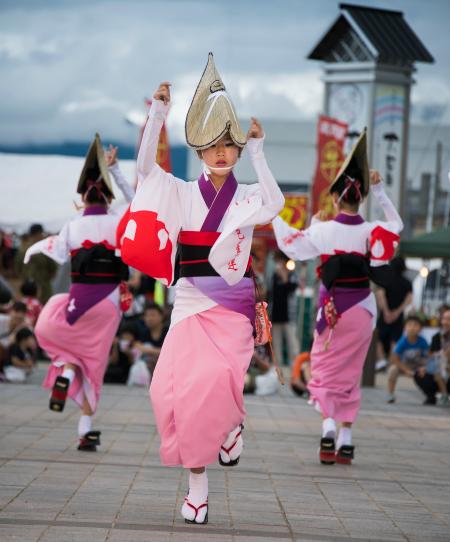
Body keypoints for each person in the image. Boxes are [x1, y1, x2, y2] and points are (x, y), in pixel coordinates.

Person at [120, 53, 284, 524]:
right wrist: (157, 113)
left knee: (216, 383)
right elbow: (144, 173)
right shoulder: (182, 192)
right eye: (211, 145)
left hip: (233, 308)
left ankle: (218, 449)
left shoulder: (249, 195)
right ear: (198, 151)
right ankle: (203, 472)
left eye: (228, 146)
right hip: (190, 303)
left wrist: (257, 150)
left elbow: (275, 202)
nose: (220, 152)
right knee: (169, 394)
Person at [273, 129, 403, 465]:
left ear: (335, 199)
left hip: (332, 309)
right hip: (362, 307)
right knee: (351, 371)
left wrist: (274, 213)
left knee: (325, 370)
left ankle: (328, 426)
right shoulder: (370, 229)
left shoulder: (323, 229)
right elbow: (397, 225)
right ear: (360, 199)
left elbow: (290, 244)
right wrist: (381, 191)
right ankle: (346, 437)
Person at [24, 137, 133, 452]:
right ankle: (85, 429)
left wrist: (32, 251)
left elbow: (56, 252)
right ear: (107, 196)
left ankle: (68, 376)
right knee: (94, 362)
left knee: (71, 348)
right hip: (108, 303)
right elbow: (140, 204)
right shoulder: (118, 223)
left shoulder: (72, 227)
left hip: (75, 304)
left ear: (83, 199)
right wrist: (117, 171)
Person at [375, 257, 412, 371]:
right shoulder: (407, 282)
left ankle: (381, 361)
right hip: (398, 316)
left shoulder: (385, 279)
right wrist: (397, 312)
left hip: (384, 315)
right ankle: (391, 363)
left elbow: (380, 295)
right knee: (395, 340)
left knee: (378, 338)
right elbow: (409, 299)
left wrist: (386, 311)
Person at [387, 315, 429, 404]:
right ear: (405, 327)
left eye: (415, 325)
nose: (412, 328)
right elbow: (394, 358)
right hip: (403, 365)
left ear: (421, 329)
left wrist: (424, 367)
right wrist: (406, 370)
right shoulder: (402, 342)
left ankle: (429, 395)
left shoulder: (423, 341)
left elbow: (427, 357)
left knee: (429, 371)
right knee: (392, 370)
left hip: (418, 365)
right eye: (409, 325)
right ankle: (390, 394)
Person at [413, 308, 450, 405]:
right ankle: (431, 397)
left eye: (448, 319)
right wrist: (426, 367)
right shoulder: (437, 337)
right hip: (439, 369)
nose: (445, 322)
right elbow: (432, 356)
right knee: (420, 373)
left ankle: (445, 395)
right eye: (444, 319)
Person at [269, 250, 299, 366]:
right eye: (276, 261)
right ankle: (278, 369)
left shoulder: (292, 274)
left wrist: (284, 276)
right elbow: (270, 293)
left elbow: (291, 289)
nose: (278, 263)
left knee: (292, 343)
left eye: (279, 260)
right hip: (275, 315)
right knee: (276, 344)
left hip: (288, 316)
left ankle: (295, 369)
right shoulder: (273, 275)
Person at [17, 224, 58, 304]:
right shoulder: (44, 249)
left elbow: (17, 268)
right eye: (41, 234)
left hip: (33, 286)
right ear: (37, 234)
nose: (42, 236)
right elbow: (53, 269)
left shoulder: (23, 249)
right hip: (39, 286)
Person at [136, 303, 168, 375]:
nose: (149, 318)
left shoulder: (169, 332)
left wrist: (148, 350)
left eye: (152, 315)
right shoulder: (144, 332)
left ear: (161, 316)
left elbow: (171, 353)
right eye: (147, 315)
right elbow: (137, 346)